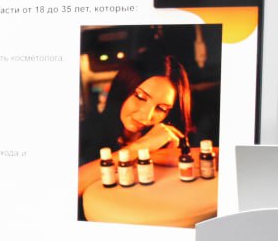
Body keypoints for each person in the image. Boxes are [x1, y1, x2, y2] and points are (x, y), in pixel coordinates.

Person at [77, 53, 193, 195]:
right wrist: (139, 147)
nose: (146, 115)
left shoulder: (168, 138)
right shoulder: (85, 131)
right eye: (140, 97)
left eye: (161, 108)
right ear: (123, 89)